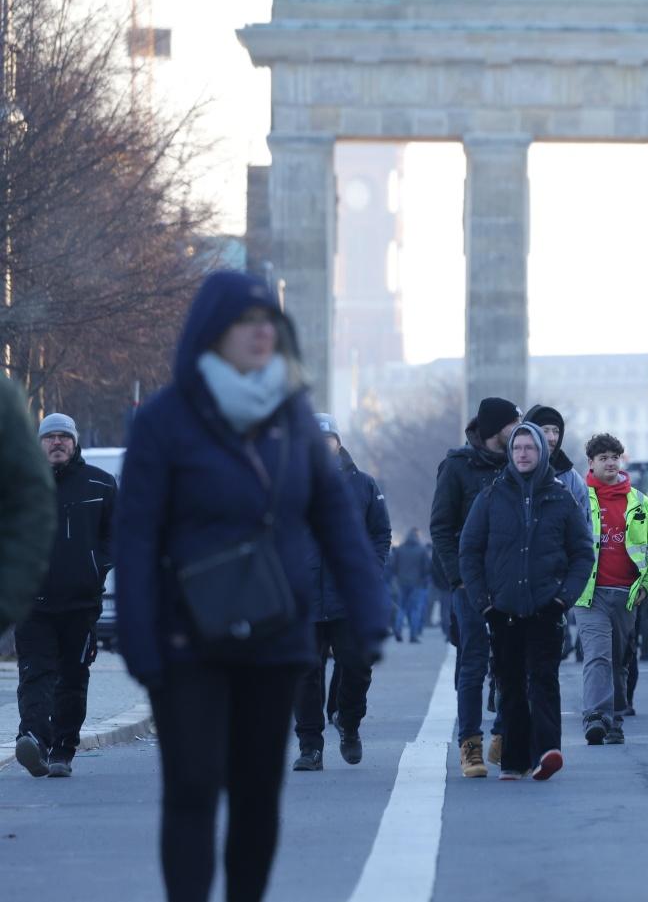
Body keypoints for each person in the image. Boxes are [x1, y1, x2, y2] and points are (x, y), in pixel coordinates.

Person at [114, 271, 389, 902]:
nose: (263, 332)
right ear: (214, 332)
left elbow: (337, 520)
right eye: (248, 321)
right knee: (191, 788)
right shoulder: (165, 420)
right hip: (188, 638)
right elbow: (135, 539)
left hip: (275, 633)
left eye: (270, 321)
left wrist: (370, 609)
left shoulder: (291, 416)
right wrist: (138, 639)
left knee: (258, 795)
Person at [458, 423, 588, 781]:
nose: (524, 454)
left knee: (543, 679)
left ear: (542, 453)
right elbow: (469, 550)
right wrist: (483, 601)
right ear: (511, 453)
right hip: (503, 609)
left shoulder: (562, 499)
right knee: (510, 683)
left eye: (531, 448)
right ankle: (515, 761)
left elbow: (582, 554)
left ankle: (548, 751)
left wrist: (564, 599)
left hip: (547, 607)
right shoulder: (491, 497)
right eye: (518, 448)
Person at [12, 413, 117, 777]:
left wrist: (97, 566)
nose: (57, 443)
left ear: (75, 443)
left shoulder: (100, 484)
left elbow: (114, 535)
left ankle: (62, 750)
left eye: (64, 437)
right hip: (32, 602)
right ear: (39, 444)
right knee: (35, 674)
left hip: (81, 604)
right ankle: (33, 740)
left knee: (73, 678)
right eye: (50, 437)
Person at [292, 414, 391, 771]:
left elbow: (381, 533)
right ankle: (310, 746)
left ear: (337, 442)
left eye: (327, 440)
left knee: (357, 665)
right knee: (305, 674)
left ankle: (348, 722)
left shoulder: (363, 485)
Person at [429, 395, 517, 777]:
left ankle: (503, 733)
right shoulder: (457, 467)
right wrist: (458, 578)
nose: (519, 428)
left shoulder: (520, 462)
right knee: (473, 662)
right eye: (514, 422)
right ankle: (470, 745)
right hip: (469, 582)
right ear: (498, 428)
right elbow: (441, 527)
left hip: (512, 579)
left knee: (511, 660)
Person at [575, 433, 648, 745]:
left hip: (627, 594)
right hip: (590, 595)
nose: (610, 463)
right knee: (597, 656)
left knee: (618, 660)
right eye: (603, 458)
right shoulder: (579, 499)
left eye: (615, 457)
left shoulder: (639, 502)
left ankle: (613, 720)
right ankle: (595, 717)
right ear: (591, 463)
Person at [0, 377, 56, 641]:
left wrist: (7, 601)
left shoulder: (4, 400)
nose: (58, 443)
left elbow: (30, 502)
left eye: (63, 437)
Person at [523, 404, 587, 513]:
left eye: (556, 431)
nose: (552, 438)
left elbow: (585, 523)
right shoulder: (513, 472)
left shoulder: (571, 478)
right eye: (545, 430)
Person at [390, 528, 431, 642]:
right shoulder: (422, 550)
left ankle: (397, 630)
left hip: (401, 582)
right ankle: (413, 635)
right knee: (415, 609)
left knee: (401, 608)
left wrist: (397, 577)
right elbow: (427, 568)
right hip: (417, 583)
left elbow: (393, 566)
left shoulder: (400, 549)